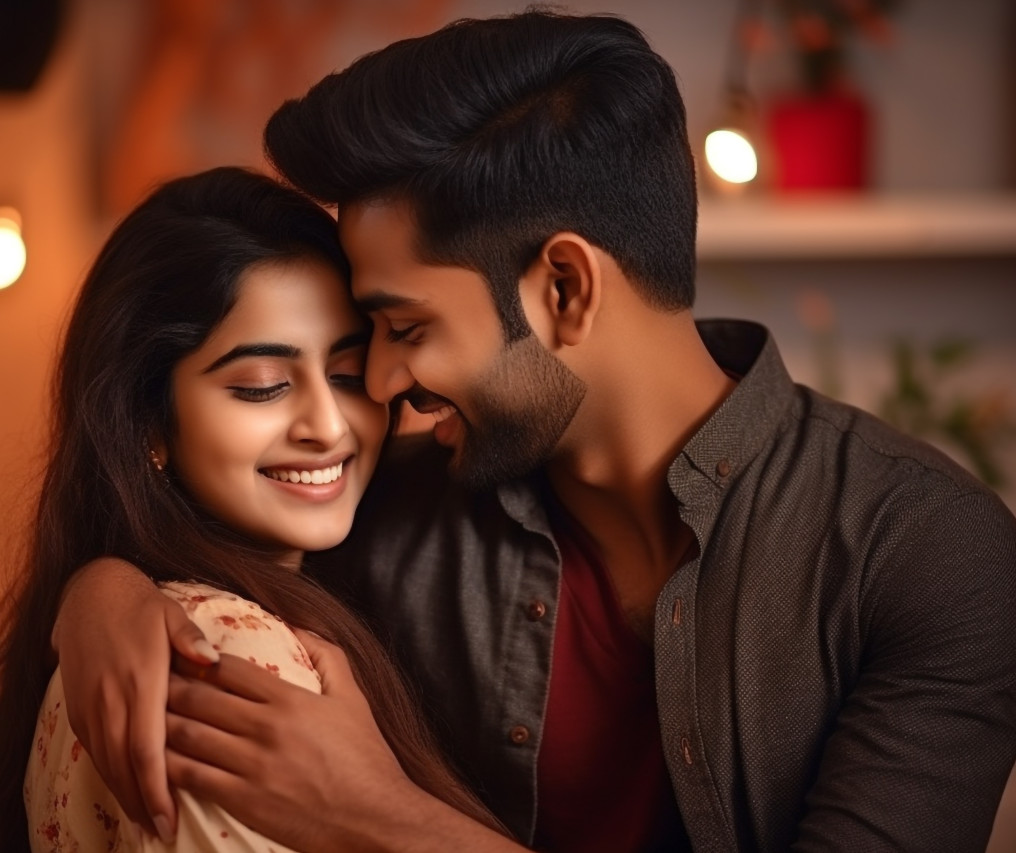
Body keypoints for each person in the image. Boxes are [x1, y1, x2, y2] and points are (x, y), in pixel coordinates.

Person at [53, 11, 1016, 853]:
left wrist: (381, 818)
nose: (379, 387)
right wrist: (103, 592)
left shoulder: (928, 556)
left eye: (406, 328)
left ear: (564, 288)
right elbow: (195, 532)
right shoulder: (389, 508)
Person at [0, 167, 514, 852]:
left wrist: (98, 583)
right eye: (263, 385)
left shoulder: (244, 608)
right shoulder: (221, 657)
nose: (329, 425)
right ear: (149, 425)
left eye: (346, 374)